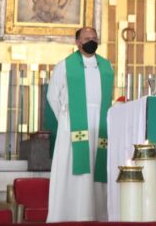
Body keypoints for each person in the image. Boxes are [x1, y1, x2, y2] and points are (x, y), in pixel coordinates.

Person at [47, 27, 114, 221]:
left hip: (99, 126)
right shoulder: (65, 66)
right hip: (73, 125)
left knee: (96, 170)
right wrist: (67, 121)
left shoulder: (106, 66)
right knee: (75, 173)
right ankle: (68, 215)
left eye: (94, 38)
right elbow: (53, 96)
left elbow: (107, 97)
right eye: (86, 38)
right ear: (77, 42)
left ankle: (97, 215)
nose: (91, 41)